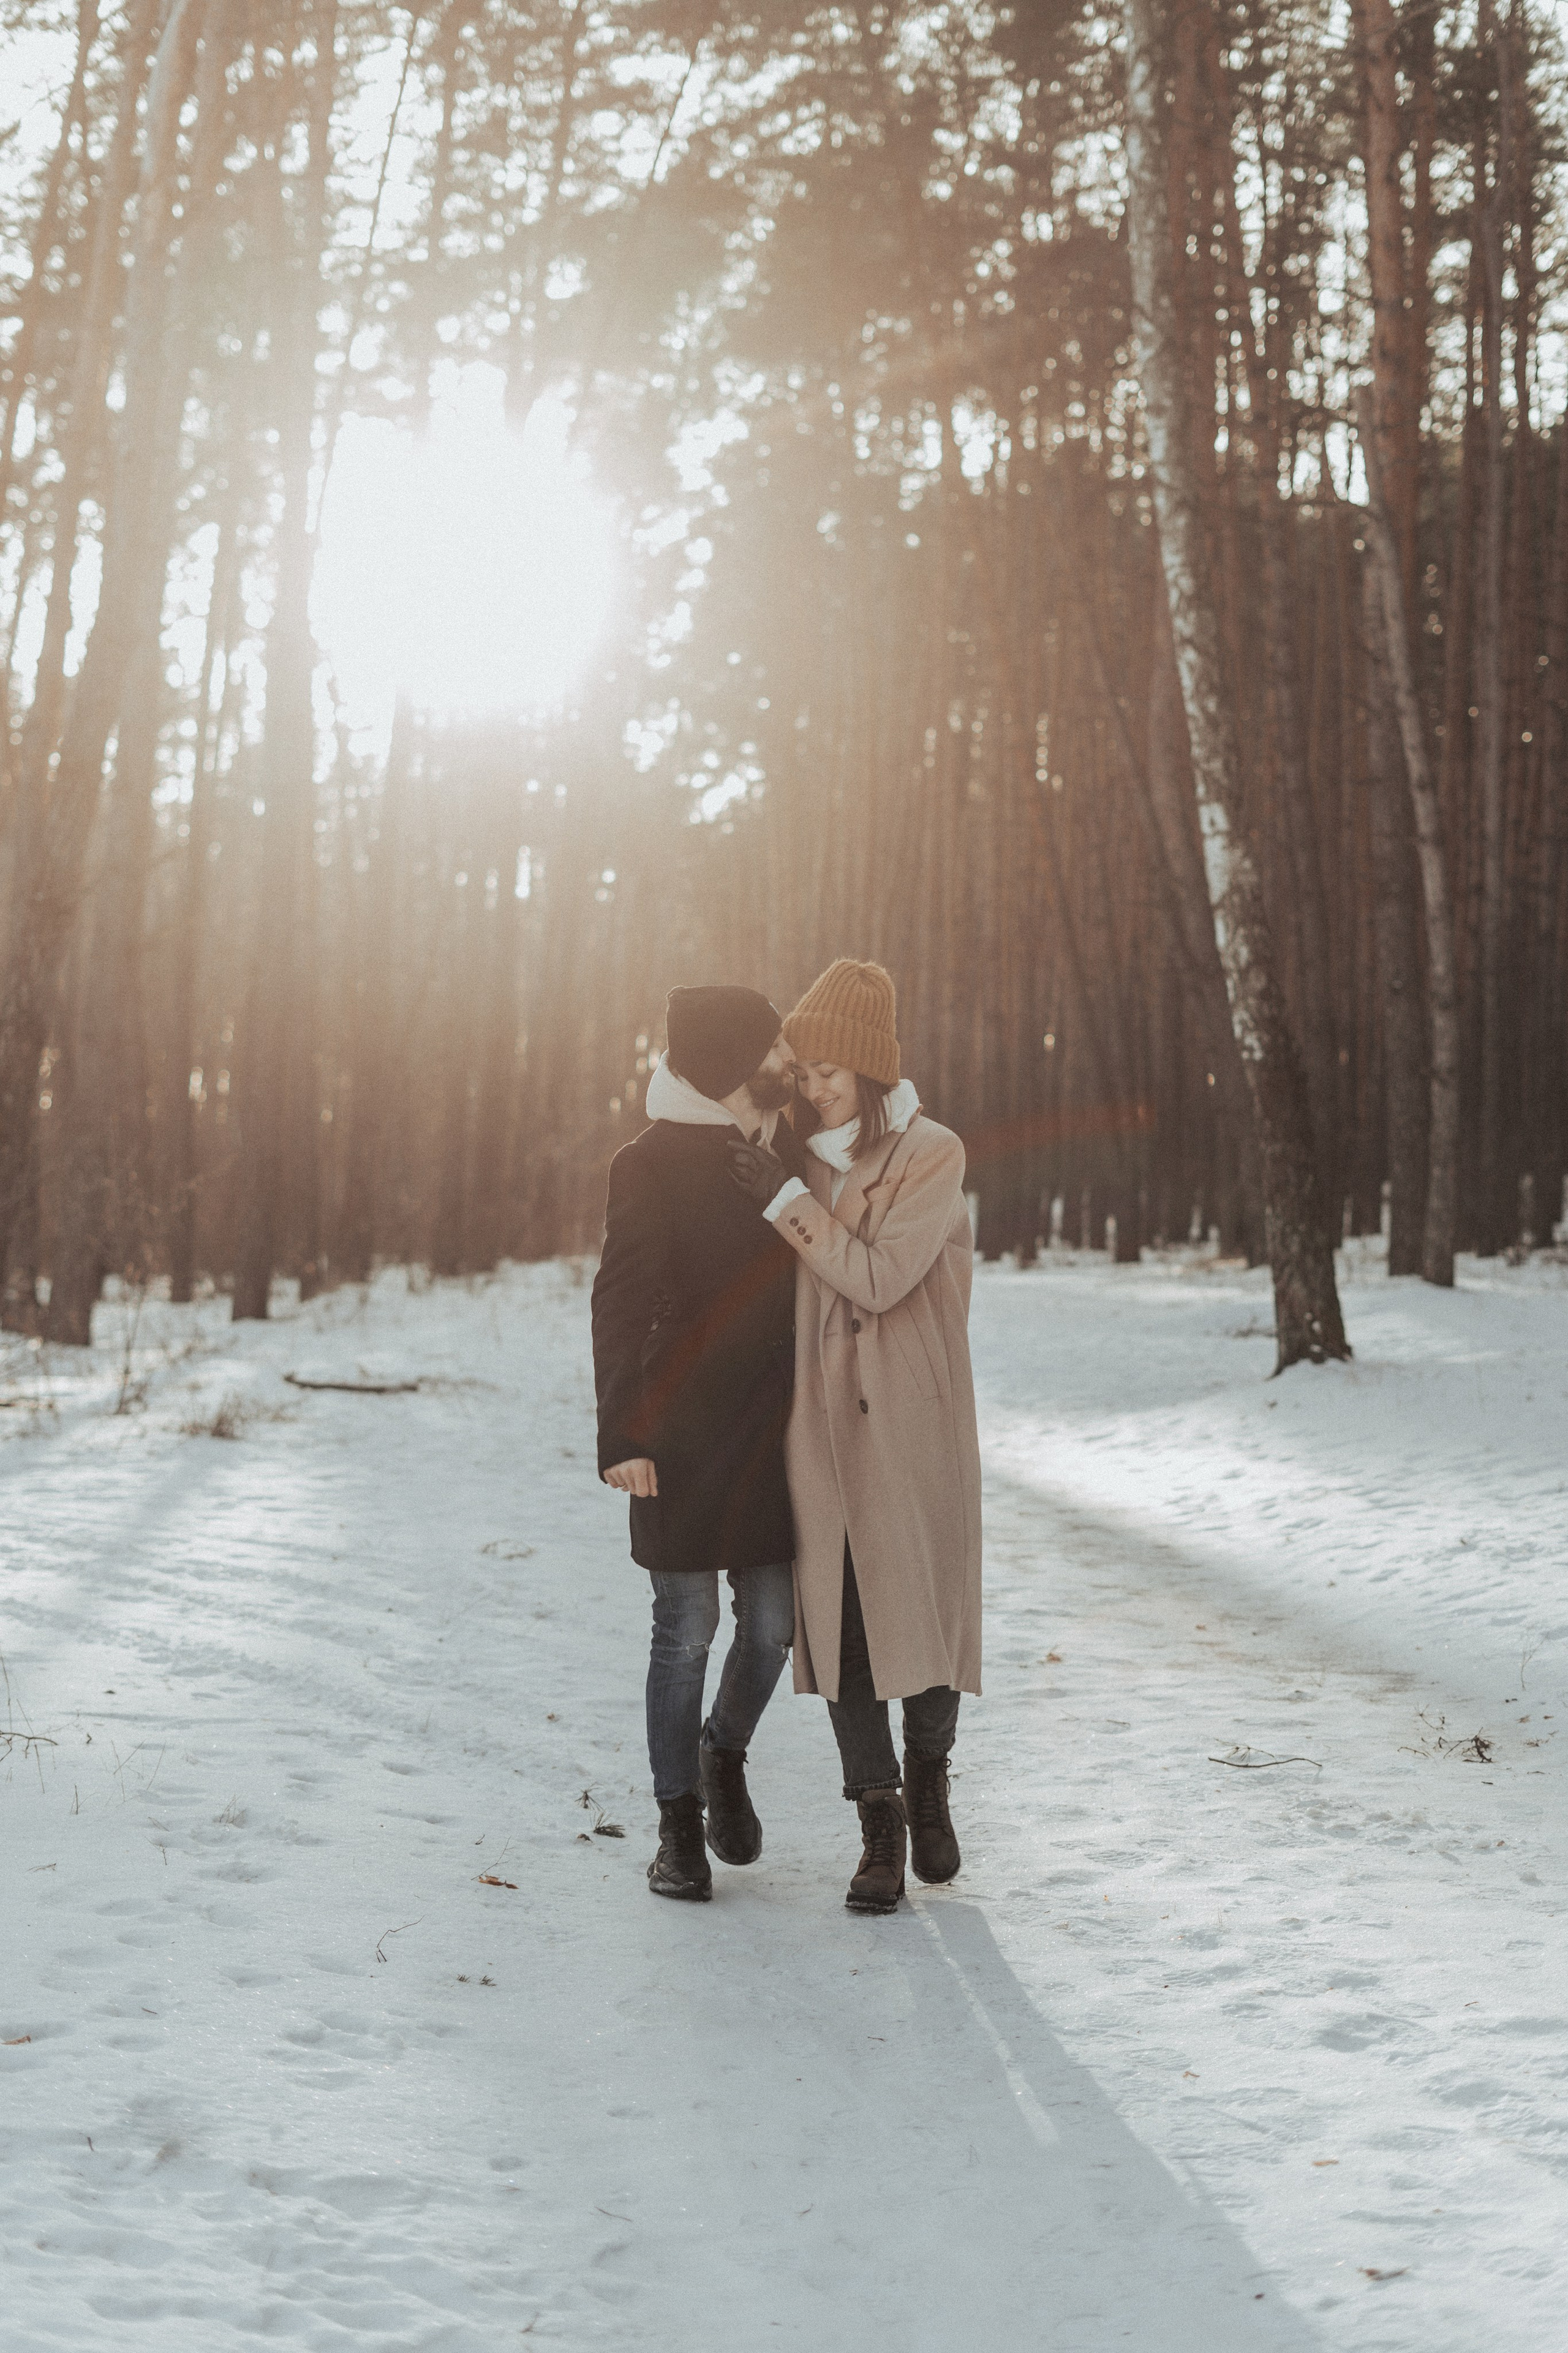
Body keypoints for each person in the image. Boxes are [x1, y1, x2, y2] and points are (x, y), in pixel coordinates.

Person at [728, 958, 982, 1915]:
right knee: (844, 1631)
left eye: (831, 1072)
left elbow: (878, 1278)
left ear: (872, 1073)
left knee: (924, 1612)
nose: (815, 1088)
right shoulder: (799, 1153)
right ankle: (878, 1827)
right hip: (822, 1424)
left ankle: (928, 1776)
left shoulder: (932, 1153)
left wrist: (785, 1201)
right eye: (806, 1074)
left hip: (912, 1419)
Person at [591, 984, 808, 1903]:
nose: (786, 1063)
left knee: (771, 1627)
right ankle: (678, 1825)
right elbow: (619, 1300)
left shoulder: (783, 1149)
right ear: (727, 1064)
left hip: (768, 1429)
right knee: (687, 1631)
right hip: (676, 1431)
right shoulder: (646, 1162)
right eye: (769, 1049)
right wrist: (623, 1431)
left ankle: (724, 1752)